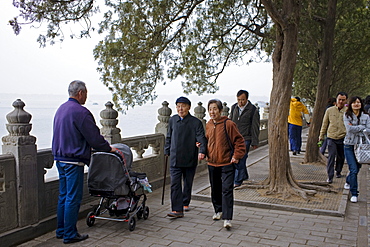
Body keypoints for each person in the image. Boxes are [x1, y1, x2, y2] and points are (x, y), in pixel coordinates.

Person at [52, 80, 116, 244]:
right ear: (80, 93)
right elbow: (94, 138)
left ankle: (60, 231)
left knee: (63, 196)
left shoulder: (61, 109)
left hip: (59, 159)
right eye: (86, 93)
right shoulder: (80, 112)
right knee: (73, 197)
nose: (86, 97)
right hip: (74, 160)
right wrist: (109, 149)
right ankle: (70, 234)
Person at [206, 99, 246, 229]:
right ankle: (218, 210)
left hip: (227, 162)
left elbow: (239, 141)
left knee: (227, 190)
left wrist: (236, 156)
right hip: (212, 162)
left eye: (215, 109)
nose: (212, 112)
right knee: (215, 188)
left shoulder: (228, 124)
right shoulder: (208, 125)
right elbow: (206, 141)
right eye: (210, 109)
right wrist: (201, 147)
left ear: (220, 110)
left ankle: (227, 218)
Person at [164, 96, 207, 218]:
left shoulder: (195, 122)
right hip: (175, 158)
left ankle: (185, 202)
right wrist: (166, 150)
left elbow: (201, 138)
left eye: (183, 106)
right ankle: (177, 210)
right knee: (175, 184)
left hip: (189, 157)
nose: (180, 108)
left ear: (189, 107)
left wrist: (202, 150)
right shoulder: (173, 120)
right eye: (178, 106)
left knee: (188, 182)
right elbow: (169, 136)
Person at [229, 90, 260, 187]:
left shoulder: (253, 110)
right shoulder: (234, 107)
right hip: (234, 138)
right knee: (235, 157)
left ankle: (237, 181)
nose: (240, 102)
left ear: (247, 99)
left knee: (240, 158)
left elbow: (255, 126)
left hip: (246, 138)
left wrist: (254, 141)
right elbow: (230, 122)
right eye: (238, 100)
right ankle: (244, 175)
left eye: (242, 100)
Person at [343, 96, 370, 203]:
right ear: (350, 104)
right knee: (353, 169)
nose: (356, 104)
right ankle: (354, 193)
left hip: (361, 146)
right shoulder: (347, 115)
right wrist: (361, 128)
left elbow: (369, 129)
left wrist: (357, 128)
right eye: (354, 102)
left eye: (358, 102)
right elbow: (349, 129)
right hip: (349, 145)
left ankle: (348, 180)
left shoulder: (366, 116)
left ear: (361, 104)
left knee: (357, 168)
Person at [319, 92, 348, 183]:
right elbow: (325, 124)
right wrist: (321, 136)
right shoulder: (329, 110)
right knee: (331, 156)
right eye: (339, 99)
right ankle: (330, 176)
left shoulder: (348, 111)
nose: (341, 101)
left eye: (343, 100)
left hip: (343, 137)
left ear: (346, 100)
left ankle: (338, 171)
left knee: (341, 156)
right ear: (336, 99)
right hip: (331, 137)